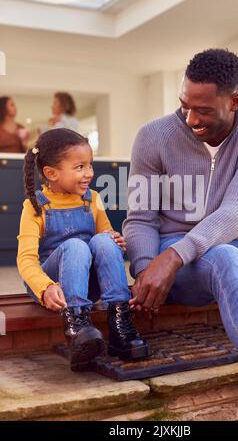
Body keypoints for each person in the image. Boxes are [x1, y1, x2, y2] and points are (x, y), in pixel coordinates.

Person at [123, 48, 238, 421]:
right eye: (185, 105)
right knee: (225, 258)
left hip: (224, 251)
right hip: (179, 260)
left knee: (227, 255)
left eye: (203, 110)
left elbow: (236, 212)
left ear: (234, 101)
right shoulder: (153, 136)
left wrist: (176, 257)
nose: (190, 118)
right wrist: (147, 268)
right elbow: (139, 218)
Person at [17, 128, 150, 371]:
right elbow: (26, 261)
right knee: (76, 246)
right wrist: (45, 287)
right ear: (51, 173)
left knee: (102, 241)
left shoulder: (93, 199)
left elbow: (105, 240)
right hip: (54, 286)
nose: (89, 173)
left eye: (90, 165)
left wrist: (115, 241)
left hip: (89, 283)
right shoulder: (35, 206)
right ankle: (77, 326)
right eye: (79, 167)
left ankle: (120, 323)